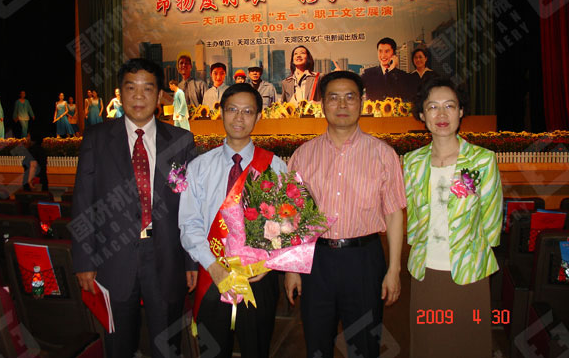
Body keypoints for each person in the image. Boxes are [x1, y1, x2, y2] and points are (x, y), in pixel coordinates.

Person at [71, 58, 197, 358]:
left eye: (147, 89)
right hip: (112, 259)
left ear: (159, 96)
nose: (139, 96)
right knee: (118, 346)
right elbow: (83, 201)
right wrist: (84, 260)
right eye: (131, 88)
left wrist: (191, 261)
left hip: (166, 258)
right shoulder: (97, 139)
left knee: (167, 346)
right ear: (120, 92)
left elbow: (190, 206)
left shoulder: (180, 141)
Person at [284, 71, 405, 358]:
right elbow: (290, 217)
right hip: (316, 261)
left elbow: (394, 215)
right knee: (316, 342)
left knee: (364, 344)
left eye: (350, 97)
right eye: (333, 98)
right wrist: (291, 268)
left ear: (361, 102)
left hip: (364, 261)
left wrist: (394, 270)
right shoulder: (303, 155)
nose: (342, 105)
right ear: (322, 104)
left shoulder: (383, 154)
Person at [179, 83, 288, 358]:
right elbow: (189, 225)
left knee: (256, 350)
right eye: (232, 110)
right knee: (212, 352)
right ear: (221, 112)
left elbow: (288, 224)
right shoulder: (199, 167)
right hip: (212, 275)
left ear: (258, 116)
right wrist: (213, 267)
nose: (239, 117)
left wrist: (267, 263)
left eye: (247, 111)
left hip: (258, 278)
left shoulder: (275, 166)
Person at [404, 77, 502, 358]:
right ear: (422, 115)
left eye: (449, 106)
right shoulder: (412, 162)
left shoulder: (482, 160)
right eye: (432, 107)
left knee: (468, 345)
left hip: (469, 269)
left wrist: (474, 253)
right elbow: (413, 215)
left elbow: (492, 218)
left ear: (461, 111)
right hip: (426, 269)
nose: (441, 114)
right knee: (428, 345)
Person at [361, 37, 413, 102]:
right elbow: (356, 87)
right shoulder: (368, 74)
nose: (383, 55)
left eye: (387, 51)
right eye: (380, 51)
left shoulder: (403, 76)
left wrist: (391, 71)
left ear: (394, 53)